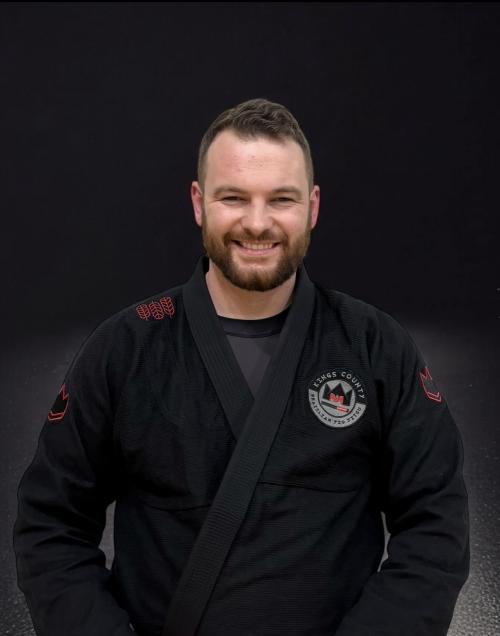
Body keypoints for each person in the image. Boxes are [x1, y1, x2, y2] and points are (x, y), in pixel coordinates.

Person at [13, 98, 469, 636]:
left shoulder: (374, 345)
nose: (257, 223)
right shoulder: (125, 347)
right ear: (199, 203)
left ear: (312, 207)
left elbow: (436, 524)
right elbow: (52, 527)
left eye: (281, 199)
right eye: (233, 197)